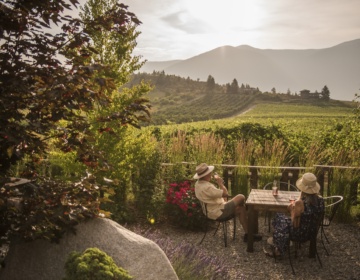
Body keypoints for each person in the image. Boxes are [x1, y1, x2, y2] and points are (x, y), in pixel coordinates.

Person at [193, 163, 262, 242]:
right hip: (218, 212)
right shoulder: (207, 187)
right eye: (209, 173)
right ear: (205, 175)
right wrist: (220, 183)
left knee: (241, 209)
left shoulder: (198, 184)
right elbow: (226, 194)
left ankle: (248, 235)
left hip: (212, 210)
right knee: (241, 197)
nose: (211, 174)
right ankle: (249, 212)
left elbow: (220, 196)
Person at [265, 172, 325, 257]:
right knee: (280, 218)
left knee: (279, 218)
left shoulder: (301, 203)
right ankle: (279, 241)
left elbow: (294, 222)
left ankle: (278, 247)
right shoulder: (321, 201)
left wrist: (291, 209)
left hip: (299, 234)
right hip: (312, 232)